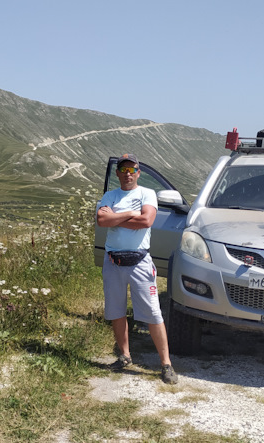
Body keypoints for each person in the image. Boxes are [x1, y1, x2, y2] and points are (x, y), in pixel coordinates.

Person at [95, 154, 178, 384]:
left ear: (138, 173)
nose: (128, 174)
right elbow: (102, 221)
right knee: (116, 311)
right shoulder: (110, 195)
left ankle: (166, 364)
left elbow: (146, 221)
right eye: (123, 170)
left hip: (140, 262)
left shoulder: (147, 193)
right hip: (113, 262)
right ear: (118, 173)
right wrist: (131, 213)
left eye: (132, 170)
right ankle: (124, 356)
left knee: (152, 313)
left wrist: (116, 217)